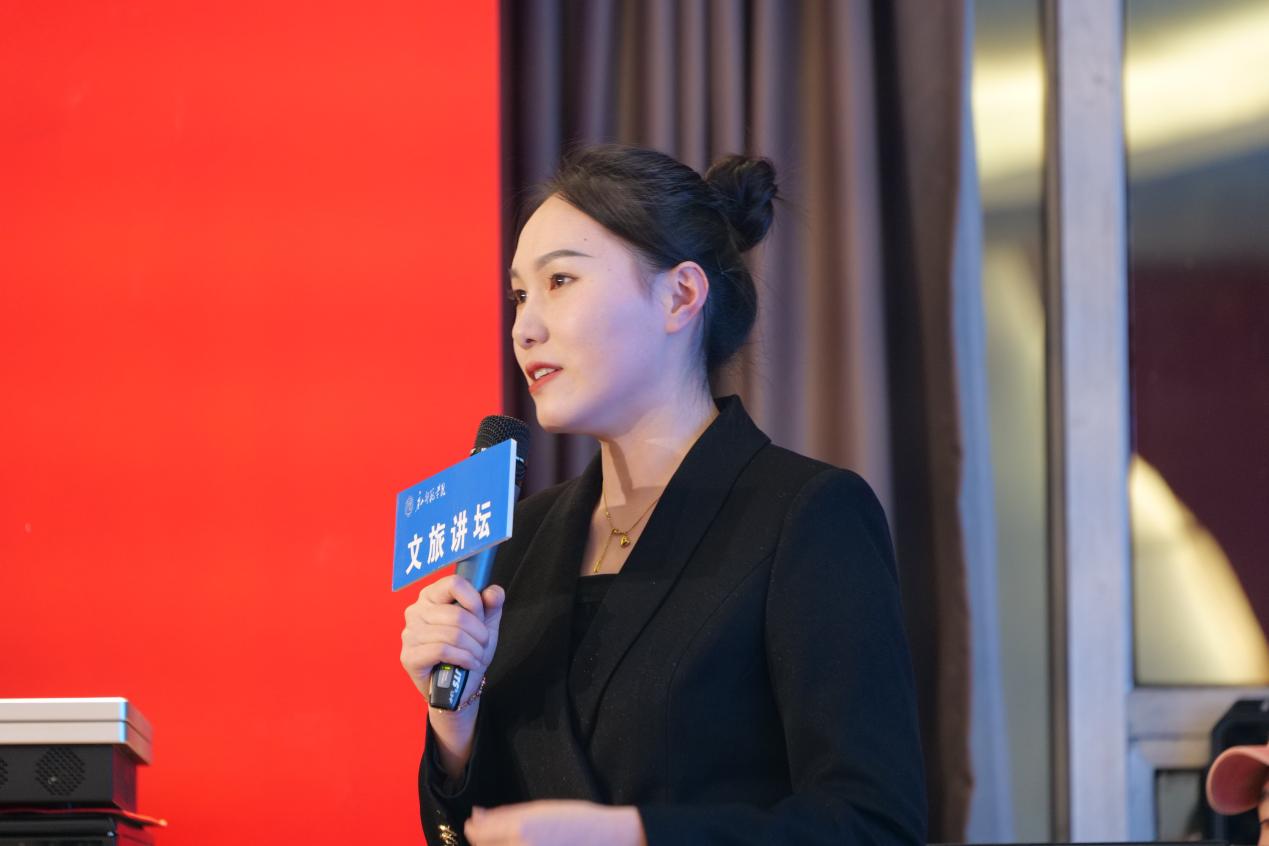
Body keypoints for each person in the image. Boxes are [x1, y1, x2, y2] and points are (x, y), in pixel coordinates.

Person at [399, 144, 926, 846]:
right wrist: (455, 726)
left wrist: (634, 836)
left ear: (680, 296)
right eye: (520, 295)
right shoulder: (520, 537)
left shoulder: (807, 516)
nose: (524, 327)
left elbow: (873, 826)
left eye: (560, 281)